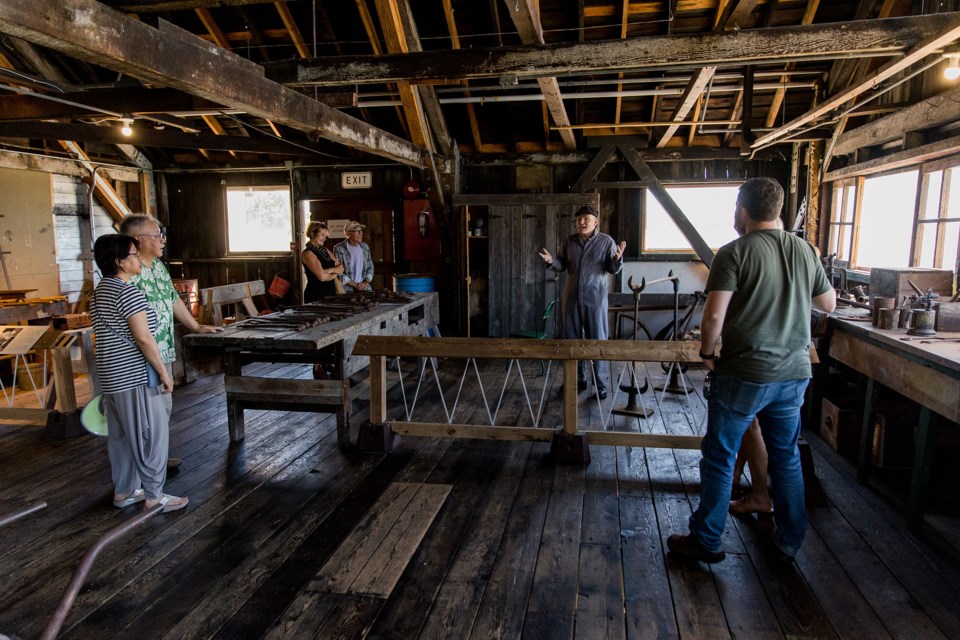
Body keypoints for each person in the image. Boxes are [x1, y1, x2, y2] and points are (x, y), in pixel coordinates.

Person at [668, 177, 835, 564]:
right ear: (777, 210)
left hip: (745, 372)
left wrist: (708, 354)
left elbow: (713, 315)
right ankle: (790, 539)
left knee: (720, 455)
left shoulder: (734, 252)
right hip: (794, 373)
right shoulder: (805, 251)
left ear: (742, 210)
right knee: (786, 456)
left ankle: (707, 539)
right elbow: (828, 303)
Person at [91, 234, 188, 513]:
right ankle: (154, 496)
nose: (137, 259)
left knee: (120, 437)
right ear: (119, 261)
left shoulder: (101, 291)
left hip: (111, 376)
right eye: (133, 255)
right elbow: (144, 338)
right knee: (152, 436)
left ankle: (124, 491)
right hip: (135, 376)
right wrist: (164, 373)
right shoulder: (127, 292)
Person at [119, 215, 221, 469]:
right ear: (137, 240)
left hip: (162, 349)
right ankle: (143, 467)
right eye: (156, 235)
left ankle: (157, 458)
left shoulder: (158, 267)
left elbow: (172, 299)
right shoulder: (127, 272)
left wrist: (195, 326)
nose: (162, 239)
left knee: (163, 406)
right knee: (143, 413)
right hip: (138, 355)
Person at [538, 204, 626, 400]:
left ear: (596, 221)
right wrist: (551, 261)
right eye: (579, 220)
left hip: (596, 299)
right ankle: (578, 380)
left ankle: (601, 384)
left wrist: (618, 260)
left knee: (597, 340)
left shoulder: (606, 242)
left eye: (586, 219)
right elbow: (563, 264)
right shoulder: (570, 242)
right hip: (572, 298)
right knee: (572, 339)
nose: (582, 222)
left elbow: (612, 268)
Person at [301, 221, 344, 302]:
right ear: (313, 234)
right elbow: (322, 277)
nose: (325, 238)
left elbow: (341, 268)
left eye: (326, 236)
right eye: (322, 235)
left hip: (331, 293)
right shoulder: (308, 253)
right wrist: (335, 270)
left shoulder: (324, 250)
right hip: (316, 294)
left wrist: (329, 270)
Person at [334, 221, 374, 292]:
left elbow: (370, 267)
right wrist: (355, 285)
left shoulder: (365, 247)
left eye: (361, 231)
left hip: (364, 288)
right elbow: (337, 271)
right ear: (348, 234)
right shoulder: (339, 248)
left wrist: (365, 282)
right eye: (357, 231)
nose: (361, 233)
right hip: (346, 289)